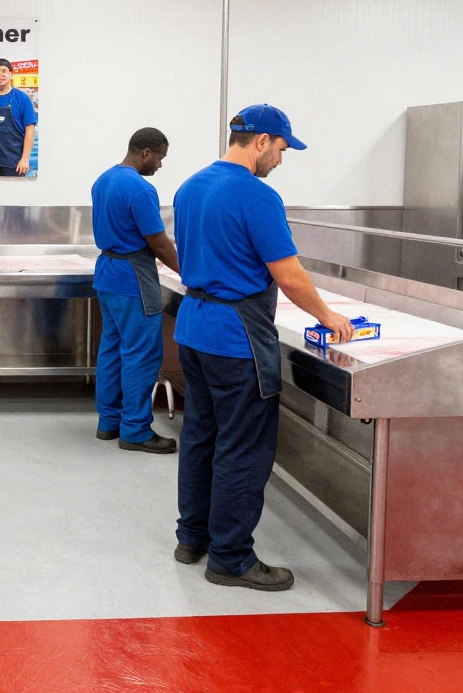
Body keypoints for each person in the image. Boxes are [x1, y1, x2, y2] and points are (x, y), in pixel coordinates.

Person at [171, 104, 353, 591]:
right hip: (236, 337)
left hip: (194, 327)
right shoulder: (257, 196)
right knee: (242, 449)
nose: (282, 158)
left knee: (201, 436)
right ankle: (230, 558)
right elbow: (288, 274)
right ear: (260, 141)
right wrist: (328, 316)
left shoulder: (189, 187)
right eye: (282, 147)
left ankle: (193, 538)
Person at [92, 127, 179, 454]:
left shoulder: (103, 180)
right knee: (141, 354)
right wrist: (191, 272)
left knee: (112, 350)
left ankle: (108, 422)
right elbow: (158, 243)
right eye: (159, 157)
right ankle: (136, 431)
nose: (159, 165)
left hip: (107, 273)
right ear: (146, 152)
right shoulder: (141, 189)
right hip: (133, 278)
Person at [0, 58, 37, 176]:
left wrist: (25, 159)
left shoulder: (22, 98)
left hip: (15, 162)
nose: (0, 75)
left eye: (4, 71)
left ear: (11, 75)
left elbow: (30, 130)